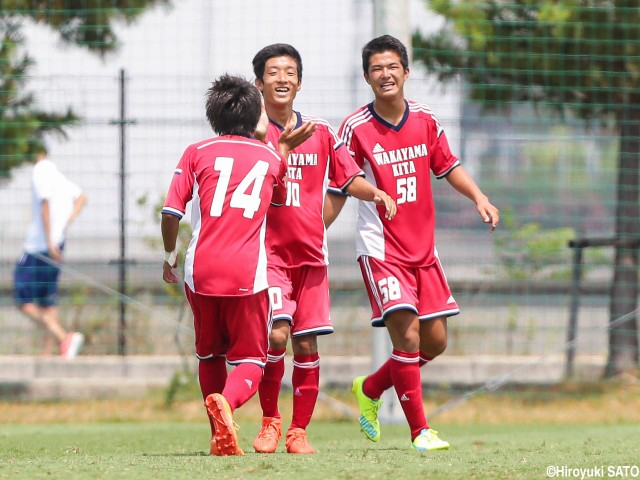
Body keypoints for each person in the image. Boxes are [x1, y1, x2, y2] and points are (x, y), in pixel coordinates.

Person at [338, 35, 500, 451]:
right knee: (407, 337)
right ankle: (419, 432)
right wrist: (373, 193)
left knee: (436, 342)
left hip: (423, 250)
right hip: (381, 250)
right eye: (376, 68)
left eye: (392, 66)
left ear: (406, 72)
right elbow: (345, 179)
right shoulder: (356, 128)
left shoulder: (425, 120)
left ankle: (371, 387)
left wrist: (479, 197)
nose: (385, 74)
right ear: (366, 77)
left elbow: (448, 165)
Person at [250, 43, 397, 455]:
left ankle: (298, 432)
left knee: (308, 345)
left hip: (312, 256)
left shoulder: (322, 132)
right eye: (274, 72)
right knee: (277, 335)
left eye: (290, 72)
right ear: (258, 83)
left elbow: (349, 179)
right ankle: (270, 422)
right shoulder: (250, 134)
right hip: (268, 256)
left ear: (299, 81)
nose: (283, 79)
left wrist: (378, 194)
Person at [160, 73, 313, 457]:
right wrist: (282, 151)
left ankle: (219, 435)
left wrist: (169, 257)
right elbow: (277, 201)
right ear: (254, 114)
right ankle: (227, 403)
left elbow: (170, 212)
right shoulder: (271, 158)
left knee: (209, 354)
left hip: (200, 270)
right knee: (252, 360)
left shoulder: (195, 152)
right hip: (247, 271)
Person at [13, 143, 87, 359]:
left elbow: (44, 203)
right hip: (55, 245)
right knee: (46, 300)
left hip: (39, 248)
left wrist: (49, 239)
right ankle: (53, 351)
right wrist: (64, 226)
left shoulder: (40, 170)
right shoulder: (56, 174)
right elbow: (82, 197)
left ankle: (64, 338)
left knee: (22, 299)